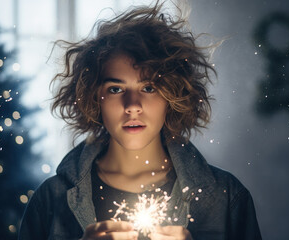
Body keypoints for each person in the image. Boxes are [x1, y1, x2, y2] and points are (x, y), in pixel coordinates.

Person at [19, 1, 262, 240]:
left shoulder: (227, 197)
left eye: (149, 87)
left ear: (172, 95)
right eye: (115, 89)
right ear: (95, 98)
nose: (132, 106)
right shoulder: (50, 200)